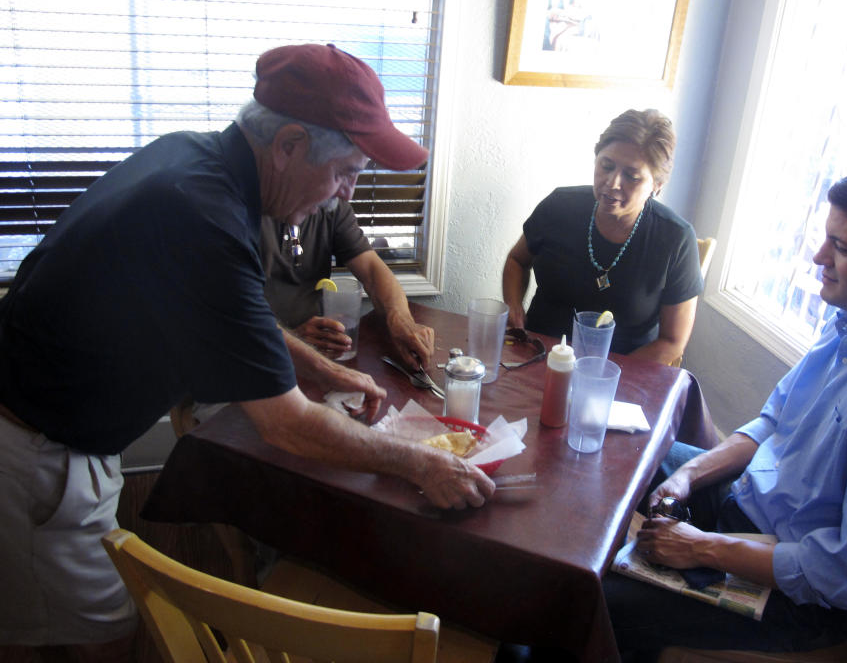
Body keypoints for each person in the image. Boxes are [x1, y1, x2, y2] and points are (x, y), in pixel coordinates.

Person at [0, 43, 495, 661]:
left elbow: (237, 319)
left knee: (55, 621)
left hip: (64, 434)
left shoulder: (195, 158)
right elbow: (286, 424)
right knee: (85, 638)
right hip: (34, 451)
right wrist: (422, 464)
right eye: (346, 171)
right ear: (288, 144)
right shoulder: (203, 217)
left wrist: (317, 366)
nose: (345, 195)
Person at [602, 165, 847, 661]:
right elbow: (773, 424)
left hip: (808, 600)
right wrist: (688, 474)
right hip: (753, 512)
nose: (818, 258)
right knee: (626, 450)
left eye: (842, 248)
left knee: (599, 600)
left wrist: (702, 547)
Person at [502, 109, 703, 365]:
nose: (612, 182)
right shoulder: (559, 206)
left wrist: (602, 375)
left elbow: (672, 342)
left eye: (632, 176)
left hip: (621, 374)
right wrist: (513, 305)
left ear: (657, 184)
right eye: (606, 165)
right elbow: (517, 261)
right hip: (538, 356)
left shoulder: (675, 239)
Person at [259, 199, 434, 369]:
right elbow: (237, 318)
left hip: (319, 352)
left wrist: (400, 320)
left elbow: (373, 271)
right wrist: (293, 339)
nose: (347, 192)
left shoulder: (331, 204)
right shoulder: (241, 207)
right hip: (259, 355)